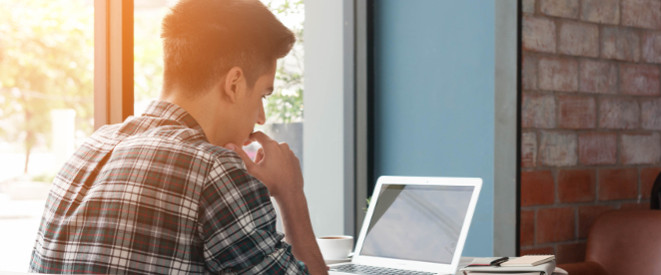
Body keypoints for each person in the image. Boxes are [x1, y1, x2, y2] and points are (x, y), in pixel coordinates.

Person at [29, 0, 327, 273]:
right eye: (263, 95)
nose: (261, 117)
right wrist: (291, 193)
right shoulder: (214, 170)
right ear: (234, 83)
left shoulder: (88, 150)